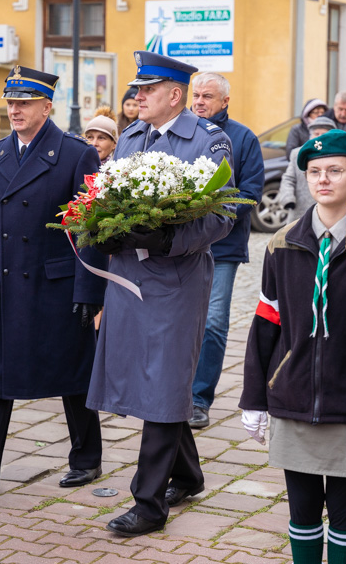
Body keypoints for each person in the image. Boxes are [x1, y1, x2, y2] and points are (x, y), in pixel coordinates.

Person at [0, 66, 107, 498]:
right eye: (11, 102)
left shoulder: (74, 153)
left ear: (47, 107)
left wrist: (90, 291)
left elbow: (91, 228)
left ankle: (86, 460)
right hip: (8, 283)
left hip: (58, 285)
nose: (15, 109)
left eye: (24, 102)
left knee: (73, 377)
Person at [85, 51, 235, 537]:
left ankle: (148, 504)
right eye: (136, 89)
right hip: (131, 279)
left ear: (175, 95)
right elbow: (108, 200)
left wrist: (167, 238)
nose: (137, 97)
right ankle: (188, 475)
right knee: (154, 382)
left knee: (165, 381)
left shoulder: (210, 143)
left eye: (147, 89)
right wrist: (103, 231)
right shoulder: (130, 138)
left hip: (175, 281)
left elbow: (221, 216)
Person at [239, 130, 346, 564]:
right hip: (292, 399)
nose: (323, 180)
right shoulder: (282, 245)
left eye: (335, 170)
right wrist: (254, 397)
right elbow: (265, 328)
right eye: (314, 172)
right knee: (303, 510)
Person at [186, 72, 264, 429]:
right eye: (196, 95)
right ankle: (171, 392)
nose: (199, 101)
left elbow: (250, 191)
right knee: (178, 319)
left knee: (213, 322)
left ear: (224, 102)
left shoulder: (243, 138)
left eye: (207, 96)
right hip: (179, 244)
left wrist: (212, 212)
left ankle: (199, 399)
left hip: (223, 246)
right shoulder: (180, 131)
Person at [278, 116, 336, 220]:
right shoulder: (297, 154)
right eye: (316, 134)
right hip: (300, 211)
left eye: (324, 134)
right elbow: (288, 179)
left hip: (328, 211)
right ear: (310, 136)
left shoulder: (338, 156)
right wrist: (288, 199)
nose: (319, 137)